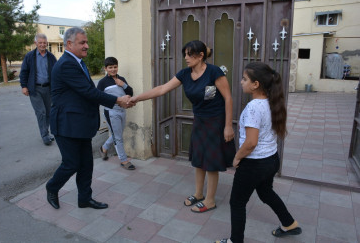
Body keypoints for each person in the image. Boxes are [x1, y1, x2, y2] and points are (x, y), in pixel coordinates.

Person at [129, 40, 235, 213]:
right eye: (184, 54)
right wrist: (137, 98)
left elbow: (228, 98)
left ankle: (210, 200)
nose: (186, 58)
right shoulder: (185, 74)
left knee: (211, 162)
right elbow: (162, 89)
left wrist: (228, 126)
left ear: (201, 56)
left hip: (216, 121)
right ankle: (199, 194)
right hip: (200, 120)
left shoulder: (214, 72)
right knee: (199, 159)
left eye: (189, 54)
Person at [45, 27, 133, 210]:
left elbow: (86, 93)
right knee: (71, 164)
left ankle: (84, 198)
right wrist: (117, 100)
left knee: (86, 164)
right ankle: (52, 187)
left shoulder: (78, 62)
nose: (87, 46)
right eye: (82, 43)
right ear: (69, 44)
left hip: (80, 124)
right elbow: (88, 92)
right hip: (66, 125)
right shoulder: (67, 64)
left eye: (86, 42)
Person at [215, 62, 302, 243]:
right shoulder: (271, 102)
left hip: (254, 164)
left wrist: (237, 157)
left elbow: (251, 143)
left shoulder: (254, 107)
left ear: (256, 84)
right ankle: (289, 223)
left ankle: (235, 241)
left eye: (244, 79)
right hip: (271, 160)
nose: (241, 82)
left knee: (237, 203)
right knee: (265, 192)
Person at [97, 57, 135, 170]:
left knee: (117, 134)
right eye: (110, 67)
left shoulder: (121, 79)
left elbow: (130, 92)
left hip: (122, 111)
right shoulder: (103, 82)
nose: (113, 69)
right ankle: (123, 160)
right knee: (118, 137)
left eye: (115, 67)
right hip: (111, 112)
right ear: (106, 68)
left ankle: (104, 148)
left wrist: (123, 84)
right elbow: (98, 97)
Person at [19, 34, 57, 145]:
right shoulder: (30, 56)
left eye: (44, 43)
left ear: (47, 43)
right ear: (35, 43)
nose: (42, 44)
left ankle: (47, 133)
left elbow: (56, 71)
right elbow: (24, 72)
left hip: (48, 88)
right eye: (40, 42)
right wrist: (24, 86)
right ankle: (45, 135)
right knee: (41, 112)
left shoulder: (50, 57)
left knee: (49, 112)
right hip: (35, 89)